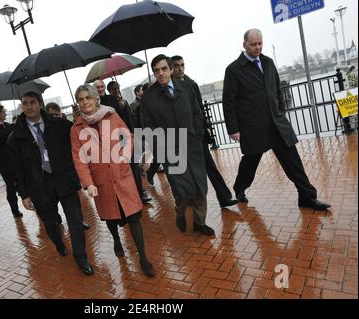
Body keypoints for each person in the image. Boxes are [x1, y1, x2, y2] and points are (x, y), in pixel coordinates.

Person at [222, 29, 331, 211]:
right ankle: (240, 187)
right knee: (250, 162)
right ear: (244, 45)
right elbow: (229, 102)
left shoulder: (268, 62)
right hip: (253, 127)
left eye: (260, 43)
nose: (257, 47)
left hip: (277, 124)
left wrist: (280, 112)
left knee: (293, 162)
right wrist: (233, 128)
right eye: (253, 44)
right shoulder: (233, 70)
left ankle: (307, 197)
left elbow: (277, 91)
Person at [71, 84, 155, 277]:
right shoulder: (76, 129)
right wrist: (88, 183)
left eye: (88, 98)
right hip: (101, 182)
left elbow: (130, 138)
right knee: (110, 217)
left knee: (134, 217)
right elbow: (79, 159)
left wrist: (124, 156)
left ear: (96, 99)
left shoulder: (112, 116)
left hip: (122, 176)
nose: (85, 102)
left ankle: (143, 257)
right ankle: (116, 240)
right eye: (81, 99)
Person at [7, 91, 94, 276]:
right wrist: (23, 194)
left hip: (64, 180)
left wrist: (83, 114)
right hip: (39, 186)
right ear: (22, 106)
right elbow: (16, 169)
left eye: (32, 102)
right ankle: (59, 244)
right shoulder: (16, 137)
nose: (29, 106)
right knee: (52, 224)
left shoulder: (59, 125)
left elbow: (79, 134)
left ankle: (81, 257)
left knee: (76, 221)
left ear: (40, 104)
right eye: (25, 103)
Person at [141, 54, 216, 236]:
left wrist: (198, 134)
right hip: (171, 151)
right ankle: (180, 212)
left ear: (171, 69)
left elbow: (197, 112)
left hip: (192, 146)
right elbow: (148, 127)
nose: (161, 73)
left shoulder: (186, 87)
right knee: (182, 190)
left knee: (200, 186)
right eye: (156, 70)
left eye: (164, 69)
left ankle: (199, 222)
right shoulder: (149, 98)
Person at [171, 55, 238, 209]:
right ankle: (186, 202)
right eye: (176, 66)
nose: (180, 68)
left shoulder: (191, 84)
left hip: (196, 134)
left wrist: (206, 126)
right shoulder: (167, 88)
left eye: (182, 65)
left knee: (210, 166)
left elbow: (200, 108)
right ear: (171, 68)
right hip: (179, 137)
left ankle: (224, 197)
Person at [94, 80, 152, 204]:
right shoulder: (93, 104)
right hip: (106, 145)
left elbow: (126, 119)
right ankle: (126, 198)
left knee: (133, 167)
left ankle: (140, 193)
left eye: (101, 86)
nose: (99, 89)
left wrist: (123, 107)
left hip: (123, 139)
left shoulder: (115, 100)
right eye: (97, 87)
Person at [46, 102, 91, 230]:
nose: (55, 117)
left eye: (57, 114)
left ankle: (79, 220)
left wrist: (78, 120)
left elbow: (81, 136)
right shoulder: (43, 130)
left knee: (73, 201)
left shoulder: (67, 125)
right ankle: (56, 220)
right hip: (52, 174)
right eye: (51, 115)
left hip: (68, 171)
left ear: (61, 113)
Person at [0, 105, 22, 218]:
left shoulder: (7, 125)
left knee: (22, 182)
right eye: (3, 112)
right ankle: (15, 210)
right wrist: (13, 125)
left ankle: (32, 202)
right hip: (4, 163)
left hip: (15, 160)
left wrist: (16, 124)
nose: (5, 114)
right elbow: (2, 137)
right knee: (10, 186)